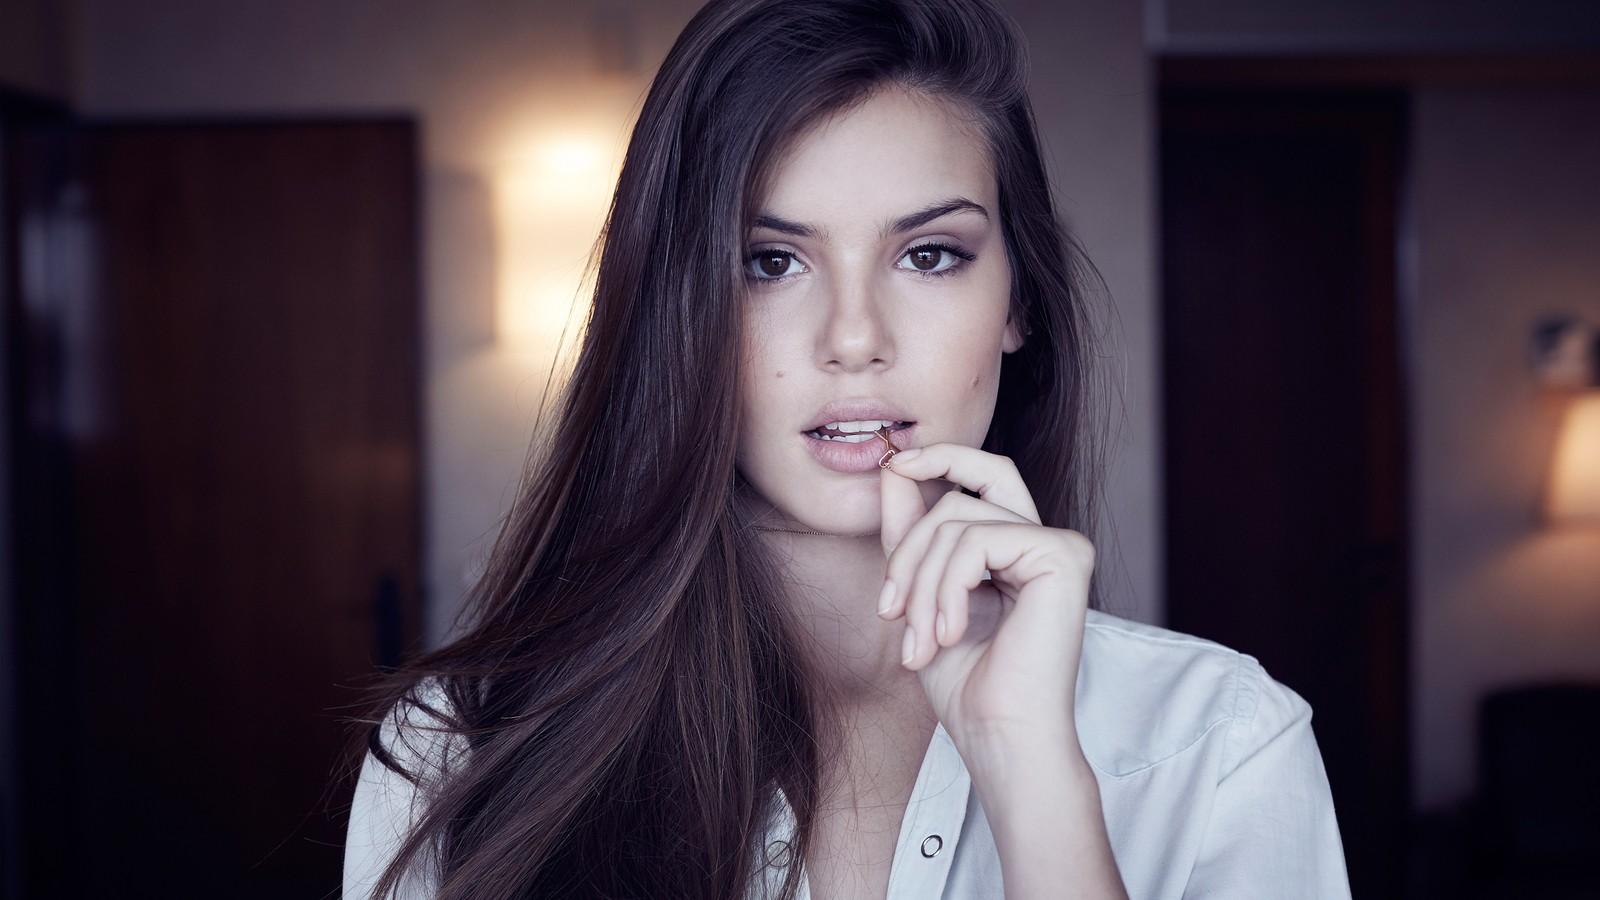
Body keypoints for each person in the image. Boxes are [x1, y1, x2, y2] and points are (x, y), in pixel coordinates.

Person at [343, 0, 1352, 897]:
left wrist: (1032, 777)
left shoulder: (1220, 744)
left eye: (928, 255)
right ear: (676, 311)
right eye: (770, 262)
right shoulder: (459, 750)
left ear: (1018, 304)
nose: (855, 337)